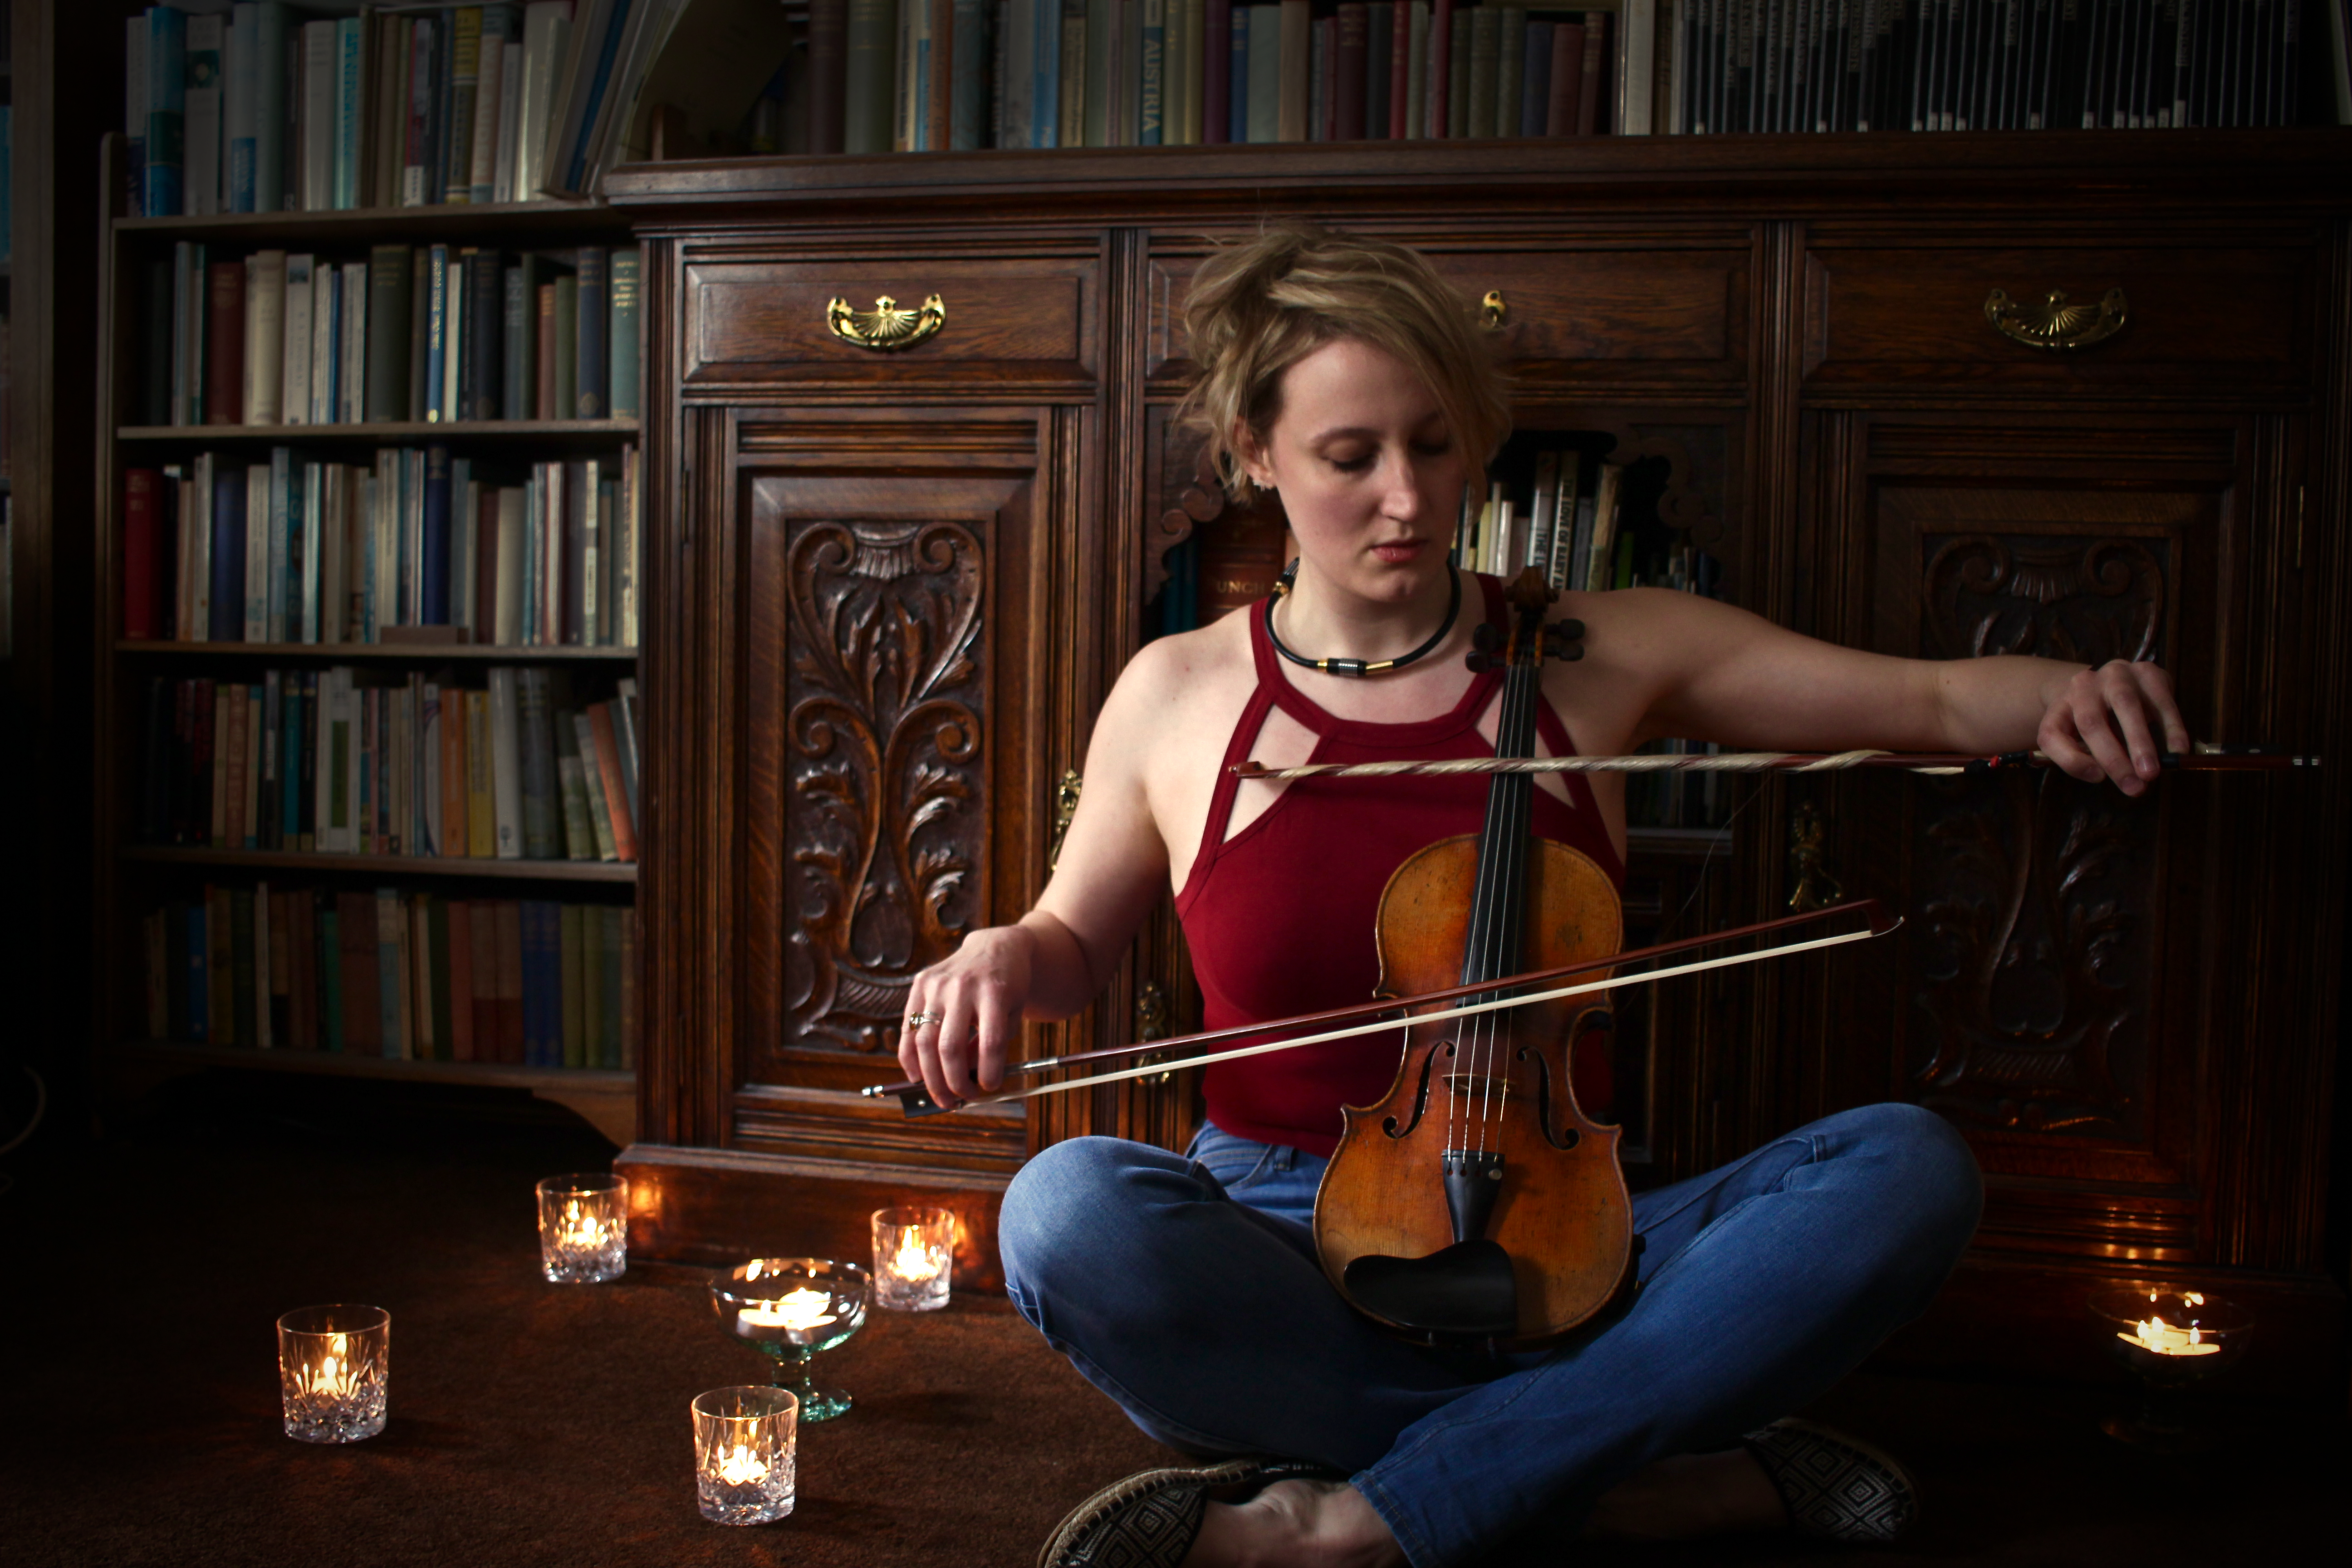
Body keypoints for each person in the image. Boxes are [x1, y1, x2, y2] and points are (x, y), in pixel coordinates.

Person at [895, 227, 2189, 1568]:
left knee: (1908, 1171)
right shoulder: (1176, 693)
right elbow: (1068, 944)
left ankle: (1371, 1517)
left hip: (1571, 1236)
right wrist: (1002, 954)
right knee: (1065, 1215)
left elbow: (1921, 700)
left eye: (1438, 446)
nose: (1410, 497)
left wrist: (2061, 698)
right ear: (1255, 451)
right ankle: (1628, 1468)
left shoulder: (1591, 654)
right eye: (1352, 458)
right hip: (1275, 1236)